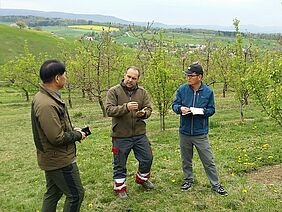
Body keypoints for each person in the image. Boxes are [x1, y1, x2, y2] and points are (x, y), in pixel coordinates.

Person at [31, 59, 87, 211]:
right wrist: (77, 135)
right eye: (64, 75)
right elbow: (56, 137)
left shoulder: (47, 97)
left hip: (52, 158)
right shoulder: (46, 104)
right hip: (59, 160)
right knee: (76, 195)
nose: (65, 78)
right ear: (57, 78)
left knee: (53, 193)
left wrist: (73, 129)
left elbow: (55, 127)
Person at [172, 62, 228, 196]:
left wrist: (201, 111)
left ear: (200, 77)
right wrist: (180, 109)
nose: (188, 78)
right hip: (184, 131)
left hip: (200, 133)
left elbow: (211, 110)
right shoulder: (182, 89)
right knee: (186, 159)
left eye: (191, 75)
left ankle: (216, 185)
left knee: (208, 160)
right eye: (187, 75)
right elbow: (175, 105)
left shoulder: (208, 92)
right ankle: (188, 180)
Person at [106, 66, 154, 199]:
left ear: (138, 79)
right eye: (128, 76)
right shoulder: (114, 91)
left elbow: (149, 108)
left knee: (147, 158)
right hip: (121, 135)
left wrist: (144, 113)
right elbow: (109, 110)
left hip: (139, 133)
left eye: (133, 78)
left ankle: (142, 179)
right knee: (120, 163)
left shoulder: (142, 92)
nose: (130, 80)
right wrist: (125, 107)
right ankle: (120, 188)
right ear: (124, 75)